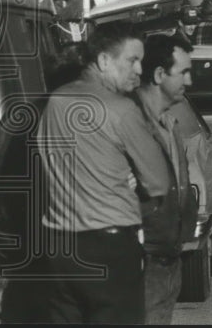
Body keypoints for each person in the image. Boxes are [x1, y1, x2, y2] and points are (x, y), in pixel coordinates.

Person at [35, 23, 172, 323]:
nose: (139, 69)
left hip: (59, 246)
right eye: (132, 60)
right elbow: (159, 182)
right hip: (109, 246)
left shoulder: (55, 102)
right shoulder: (121, 110)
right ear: (103, 61)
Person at [134, 35, 199, 326]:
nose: (190, 81)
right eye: (183, 72)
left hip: (167, 261)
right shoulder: (131, 124)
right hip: (140, 265)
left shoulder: (169, 124)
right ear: (159, 74)